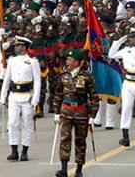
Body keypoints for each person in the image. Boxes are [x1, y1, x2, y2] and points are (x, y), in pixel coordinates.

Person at [53, 49, 100, 177]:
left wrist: (93, 116)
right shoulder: (63, 75)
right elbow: (58, 94)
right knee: (64, 139)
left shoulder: (86, 76)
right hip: (66, 110)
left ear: (77, 62)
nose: (67, 62)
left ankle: (79, 169)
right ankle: (64, 169)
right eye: (67, 60)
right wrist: (56, 112)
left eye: (70, 60)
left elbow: (94, 97)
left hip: (81, 111)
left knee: (80, 141)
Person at [0, 36, 41, 162]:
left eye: (20, 46)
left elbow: (38, 81)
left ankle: (25, 151)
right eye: (16, 46)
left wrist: (35, 99)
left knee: (27, 123)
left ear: (25, 47)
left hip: (27, 96)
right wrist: (3, 96)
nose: (17, 48)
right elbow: (7, 79)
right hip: (14, 96)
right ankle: (13, 150)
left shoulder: (33, 61)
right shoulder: (12, 60)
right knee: (12, 123)